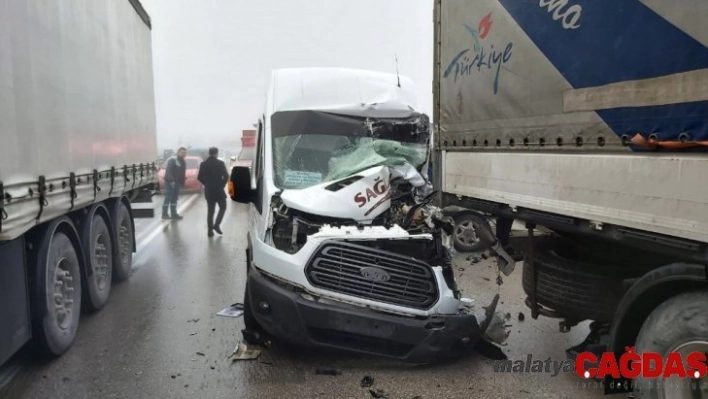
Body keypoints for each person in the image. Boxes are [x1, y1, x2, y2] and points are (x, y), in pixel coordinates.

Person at [197, 147, 230, 237]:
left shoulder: (203, 164)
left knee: (210, 211)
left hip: (209, 191)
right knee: (223, 207)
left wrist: (206, 183)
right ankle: (216, 225)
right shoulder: (220, 163)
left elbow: (199, 177)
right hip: (219, 189)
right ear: (216, 153)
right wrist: (222, 184)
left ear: (209, 153)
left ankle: (209, 232)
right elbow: (226, 176)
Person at [162, 147, 187, 220]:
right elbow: (169, 171)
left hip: (178, 183)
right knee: (168, 198)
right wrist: (171, 181)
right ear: (178, 152)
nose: (183, 154)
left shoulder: (183, 161)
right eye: (182, 152)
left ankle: (174, 214)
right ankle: (164, 214)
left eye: (185, 153)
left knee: (174, 199)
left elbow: (183, 173)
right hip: (170, 183)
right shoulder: (172, 160)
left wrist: (182, 182)